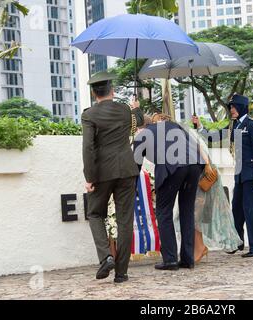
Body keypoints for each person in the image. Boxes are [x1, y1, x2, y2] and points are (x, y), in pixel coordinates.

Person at [82, 71, 144, 283]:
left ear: (93, 93)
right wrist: (137, 108)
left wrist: (89, 177)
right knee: (125, 220)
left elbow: (88, 148)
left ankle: (106, 256)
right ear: (113, 91)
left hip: (102, 172)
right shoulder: (126, 111)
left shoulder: (89, 115)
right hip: (127, 169)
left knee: (94, 213)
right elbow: (140, 120)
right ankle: (121, 273)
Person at [192, 94, 253, 258]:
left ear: (241, 107)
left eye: (233, 107)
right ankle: (237, 242)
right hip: (240, 174)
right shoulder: (234, 126)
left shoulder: (252, 125)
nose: (231, 110)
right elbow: (214, 136)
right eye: (230, 107)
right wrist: (199, 127)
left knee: (250, 210)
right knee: (237, 210)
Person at [133, 114, 204, 270]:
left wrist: (131, 188)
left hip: (173, 168)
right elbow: (193, 144)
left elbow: (135, 167)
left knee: (163, 212)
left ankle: (170, 259)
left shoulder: (142, 135)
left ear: (139, 127)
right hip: (195, 165)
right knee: (187, 211)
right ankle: (187, 259)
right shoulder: (173, 125)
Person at [175, 122, 244, 263]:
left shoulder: (185, 133)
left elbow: (201, 149)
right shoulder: (184, 132)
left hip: (205, 177)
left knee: (194, 215)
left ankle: (200, 248)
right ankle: (199, 248)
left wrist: (206, 165)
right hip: (201, 176)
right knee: (193, 215)